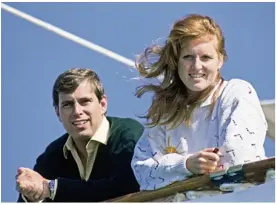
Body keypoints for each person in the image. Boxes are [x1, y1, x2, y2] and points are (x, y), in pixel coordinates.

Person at [131, 14, 268, 191]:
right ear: (176, 61)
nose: (196, 66)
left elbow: (238, 160)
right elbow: (142, 169)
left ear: (220, 60)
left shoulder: (236, 92)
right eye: (188, 57)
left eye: (205, 57)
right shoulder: (165, 110)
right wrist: (186, 164)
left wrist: (169, 169)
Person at [16, 68, 144, 202]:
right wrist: (30, 193)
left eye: (85, 101)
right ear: (58, 113)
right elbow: (37, 190)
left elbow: (128, 187)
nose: (77, 111)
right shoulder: (53, 155)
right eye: (67, 104)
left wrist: (52, 188)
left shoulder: (128, 133)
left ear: (102, 104)